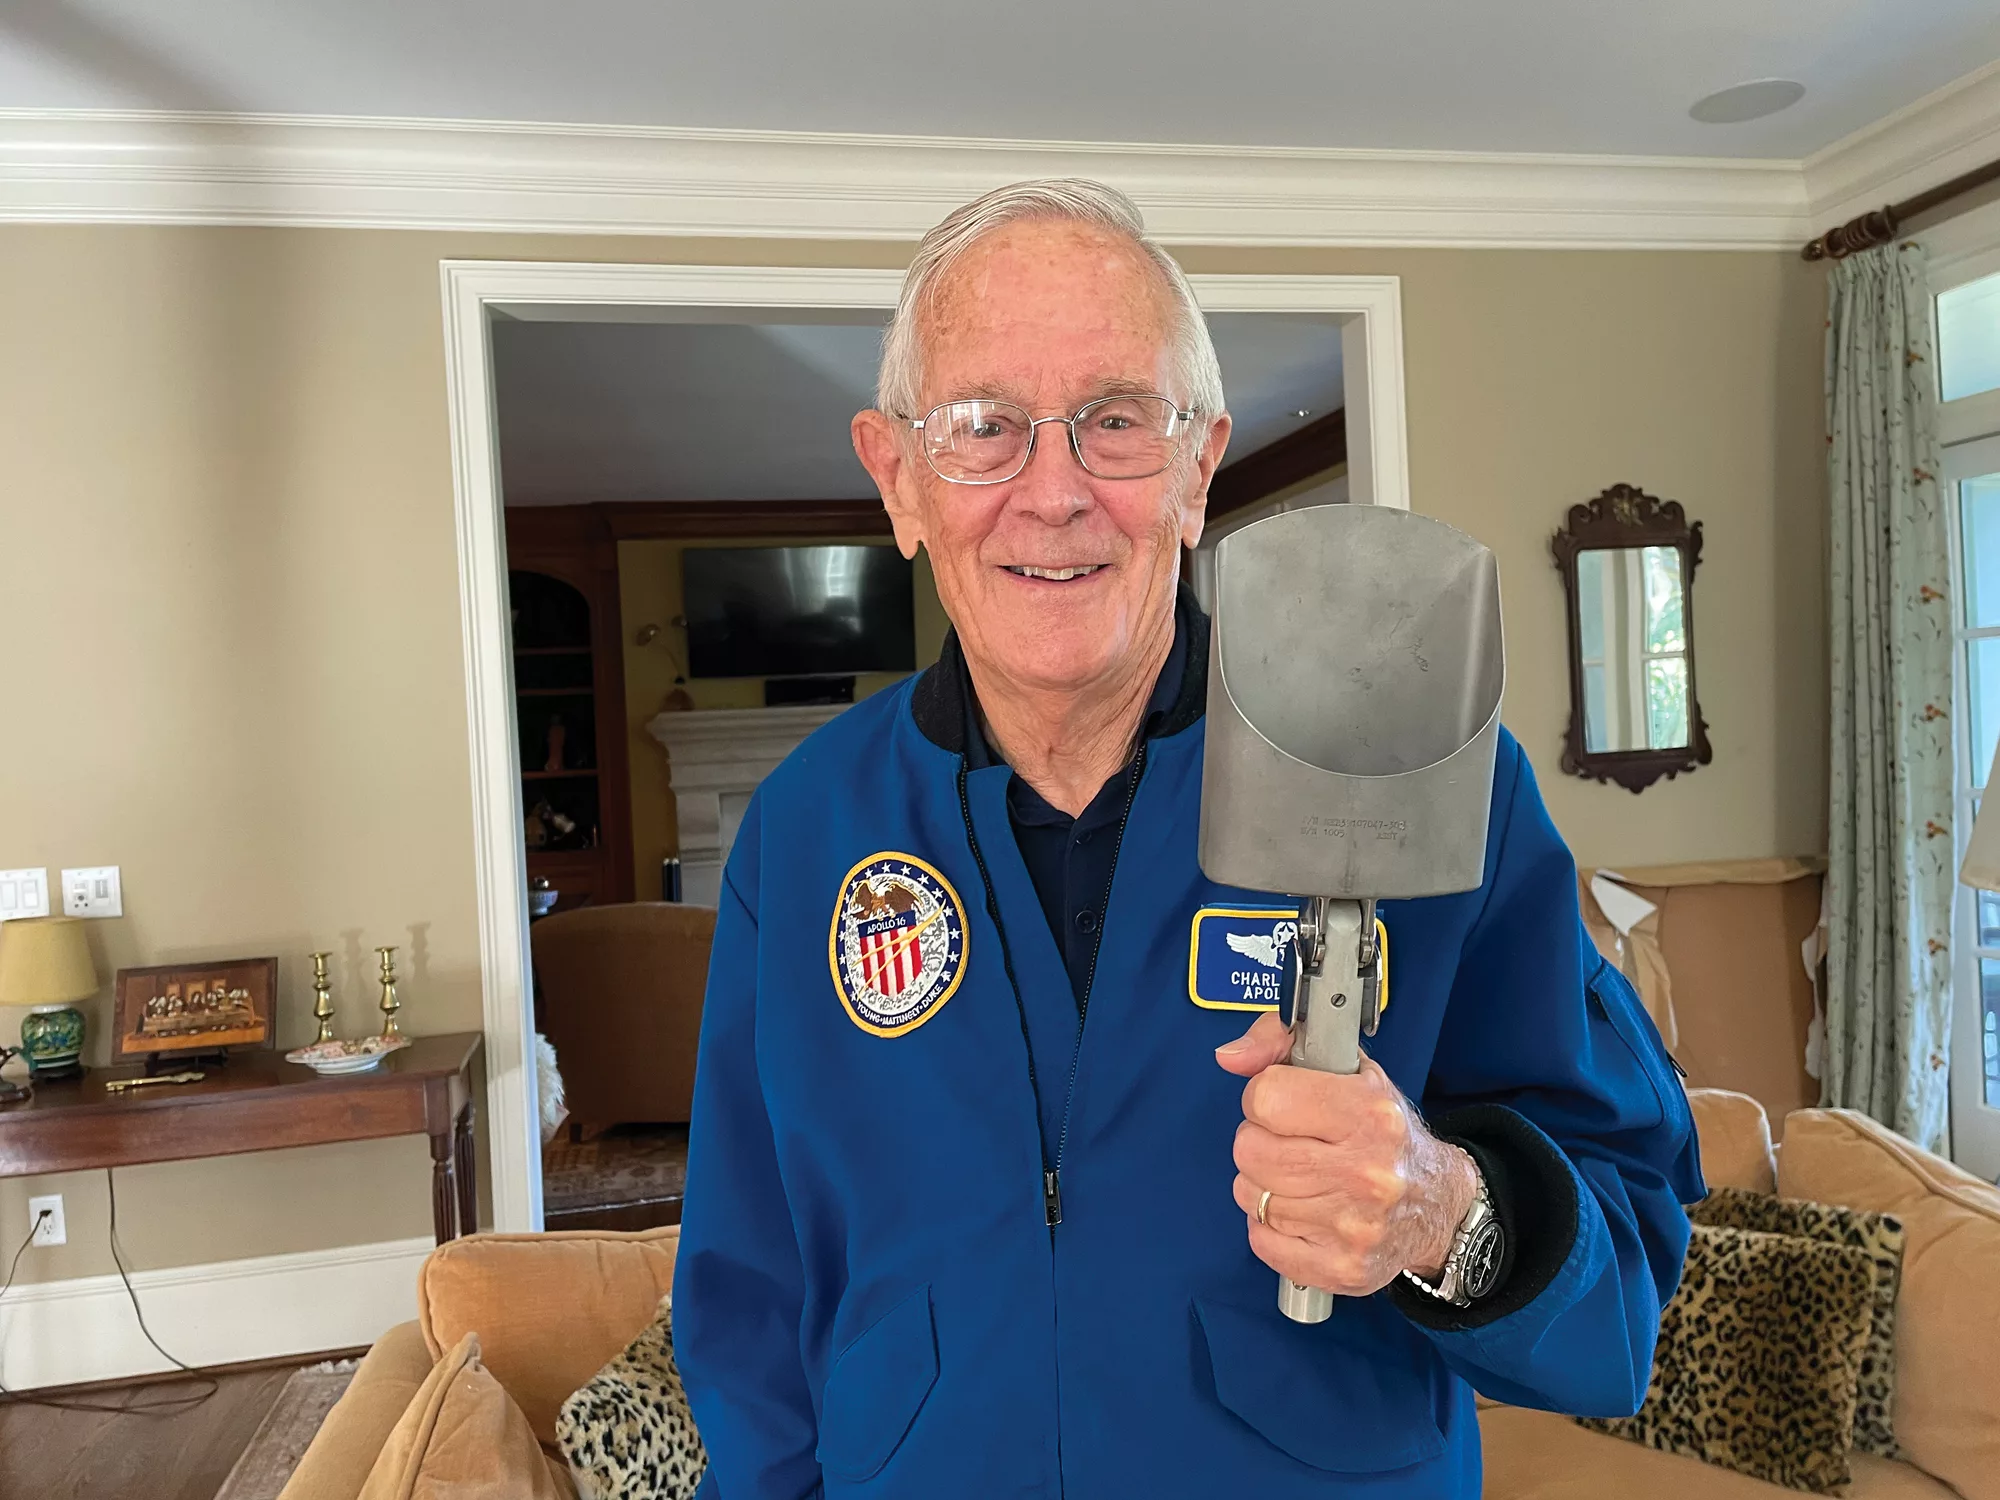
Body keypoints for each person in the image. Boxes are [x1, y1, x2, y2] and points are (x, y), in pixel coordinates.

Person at [674, 179, 1702, 1499]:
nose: (1053, 493)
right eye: (985, 427)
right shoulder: (807, 833)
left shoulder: (1426, 776)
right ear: (900, 479)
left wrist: (1444, 1210)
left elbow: (1625, 1294)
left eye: (1115, 422)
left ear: (1198, 465)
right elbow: (749, 1295)